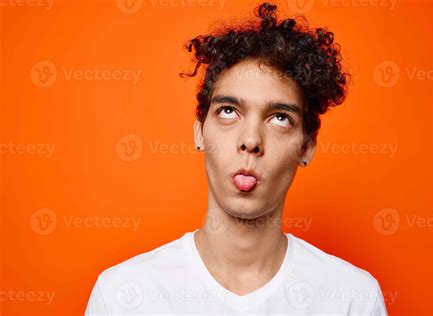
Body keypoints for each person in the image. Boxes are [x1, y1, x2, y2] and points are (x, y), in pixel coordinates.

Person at [85, 2, 388, 315]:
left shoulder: (353, 297)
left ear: (306, 147)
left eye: (280, 118)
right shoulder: (123, 295)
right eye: (228, 111)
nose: (251, 140)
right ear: (200, 132)